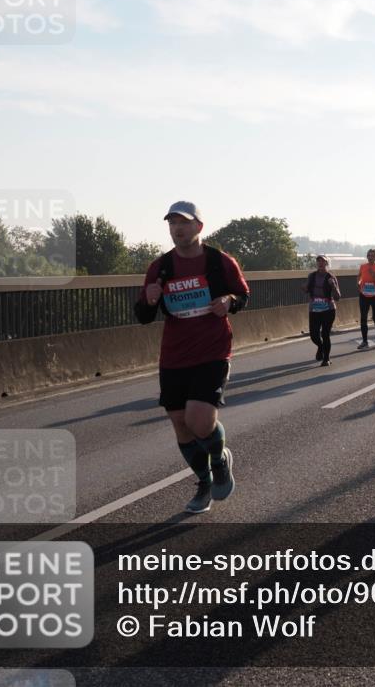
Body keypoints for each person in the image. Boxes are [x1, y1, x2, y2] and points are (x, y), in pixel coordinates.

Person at [135, 201, 250, 514]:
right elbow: (143, 315)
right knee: (181, 426)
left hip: (212, 351)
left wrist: (229, 300)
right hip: (174, 356)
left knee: (199, 421)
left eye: (183, 223)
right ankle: (204, 482)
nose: (177, 229)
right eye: (172, 224)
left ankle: (220, 461)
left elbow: (242, 295)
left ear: (199, 227)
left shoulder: (219, 262)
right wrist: (149, 301)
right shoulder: (160, 268)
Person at [305, 255, 342, 365]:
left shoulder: (331, 277)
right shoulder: (312, 276)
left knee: (325, 334)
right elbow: (306, 289)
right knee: (314, 336)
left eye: (323, 261)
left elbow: (338, 297)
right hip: (314, 309)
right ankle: (321, 347)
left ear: (327, 264)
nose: (320, 263)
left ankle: (326, 359)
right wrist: (304, 287)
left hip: (328, 310)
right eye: (318, 261)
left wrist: (333, 286)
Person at [357, 249, 375, 349]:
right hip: (364, 295)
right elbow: (359, 276)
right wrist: (359, 283)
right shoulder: (363, 266)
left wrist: (374, 274)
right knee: (363, 318)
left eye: (372, 256)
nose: (370, 257)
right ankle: (364, 341)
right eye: (369, 255)